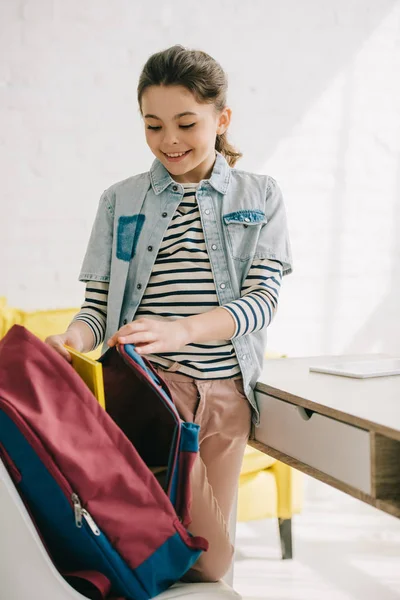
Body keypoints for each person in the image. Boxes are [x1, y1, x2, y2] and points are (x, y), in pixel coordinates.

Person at [45, 44, 293, 582]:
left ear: (221, 118)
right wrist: (71, 341)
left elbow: (261, 302)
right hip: (145, 390)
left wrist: (181, 329)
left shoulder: (261, 194)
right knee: (140, 546)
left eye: (186, 123)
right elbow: (97, 307)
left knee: (211, 564)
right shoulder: (120, 199)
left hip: (225, 394)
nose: (170, 141)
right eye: (153, 126)